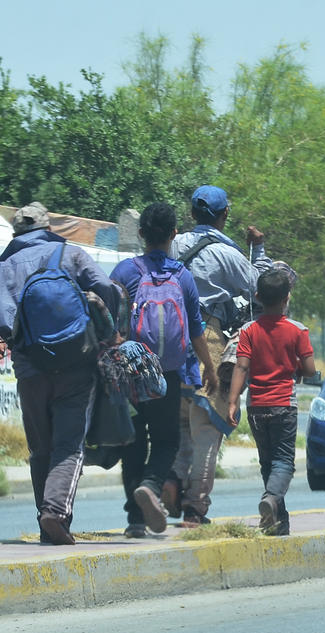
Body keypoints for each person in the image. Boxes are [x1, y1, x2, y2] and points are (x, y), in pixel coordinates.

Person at [0, 202, 123, 545]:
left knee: (41, 449)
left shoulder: (1, 269)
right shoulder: (71, 254)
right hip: (77, 364)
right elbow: (106, 288)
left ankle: (45, 524)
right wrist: (110, 330)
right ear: (47, 227)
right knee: (69, 446)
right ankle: (55, 514)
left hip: (30, 369)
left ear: (17, 233)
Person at [165, 185, 272, 527]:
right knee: (207, 430)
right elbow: (261, 288)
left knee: (179, 425)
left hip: (166, 343)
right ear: (225, 215)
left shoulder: (173, 244)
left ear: (192, 214)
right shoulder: (230, 255)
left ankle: (171, 480)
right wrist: (259, 248)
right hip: (206, 344)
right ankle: (196, 508)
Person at [109, 202, 219, 538]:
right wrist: (210, 370)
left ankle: (135, 519)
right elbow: (196, 329)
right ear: (174, 234)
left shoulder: (125, 273)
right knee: (167, 441)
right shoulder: (181, 276)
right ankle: (151, 485)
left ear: (140, 233)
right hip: (166, 375)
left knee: (133, 443)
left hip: (129, 372)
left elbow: (107, 320)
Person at [226, 268, 316, 535]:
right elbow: (310, 369)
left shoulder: (248, 331)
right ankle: (271, 499)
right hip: (283, 405)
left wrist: (233, 402)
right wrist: (297, 367)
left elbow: (241, 368)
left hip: (256, 406)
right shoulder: (297, 331)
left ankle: (278, 521)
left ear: (257, 297)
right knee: (284, 461)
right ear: (287, 298)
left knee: (268, 462)